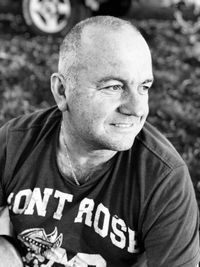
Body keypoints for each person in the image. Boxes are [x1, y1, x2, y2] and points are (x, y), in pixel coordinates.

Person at [0, 15, 199, 267]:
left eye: (144, 87)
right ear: (62, 91)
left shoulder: (163, 179)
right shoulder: (16, 143)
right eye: (114, 87)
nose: (138, 109)